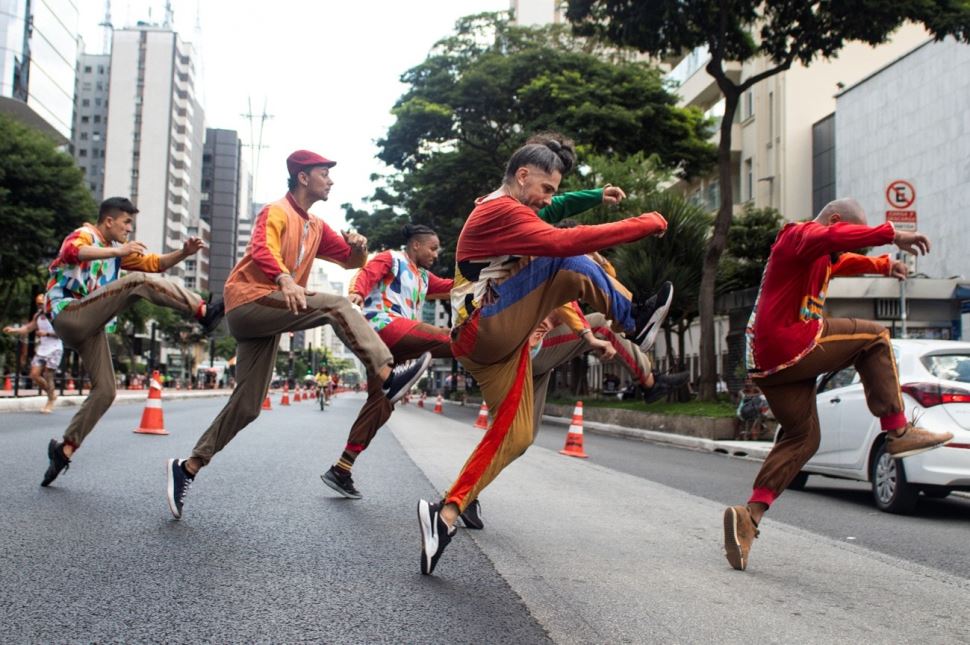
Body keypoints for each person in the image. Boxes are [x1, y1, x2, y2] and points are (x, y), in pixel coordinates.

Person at [417, 135, 670, 575]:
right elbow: (561, 241)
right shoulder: (499, 210)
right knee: (567, 257)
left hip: (494, 347)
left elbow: (558, 208)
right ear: (522, 176)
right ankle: (635, 318)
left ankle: (446, 515)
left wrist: (595, 195)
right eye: (546, 188)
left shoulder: (517, 209)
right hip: (485, 328)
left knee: (516, 436)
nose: (548, 199)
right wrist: (642, 224)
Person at [166, 149, 429, 519]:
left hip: (271, 312)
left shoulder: (316, 225)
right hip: (249, 301)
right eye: (324, 173)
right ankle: (387, 375)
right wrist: (285, 279)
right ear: (303, 177)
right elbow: (262, 248)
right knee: (337, 305)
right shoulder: (275, 211)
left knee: (248, 406)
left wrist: (359, 249)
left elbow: (350, 262)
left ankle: (188, 466)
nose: (331, 181)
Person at [722, 198, 953, 572]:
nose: (843, 249)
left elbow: (846, 261)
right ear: (833, 220)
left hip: (770, 365)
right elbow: (830, 238)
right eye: (845, 236)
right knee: (875, 336)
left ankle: (749, 516)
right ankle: (897, 430)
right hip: (789, 343)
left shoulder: (823, 259)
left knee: (804, 438)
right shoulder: (798, 236)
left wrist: (884, 265)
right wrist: (892, 234)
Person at [39, 196, 223, 487]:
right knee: (135, 281)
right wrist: (118, 250)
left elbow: (155, 265)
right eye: (126, 223)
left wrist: (183, 253)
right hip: (69, 313)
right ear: (109, 221)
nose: (128, 229)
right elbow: (71, 251)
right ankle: (202, 310)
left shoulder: (115, 253)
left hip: (90, 325)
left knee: (106, 391)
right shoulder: (86, 234)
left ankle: (64, 450)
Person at [3, 294, 64, 413]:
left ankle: (50, 401)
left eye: (42, 303)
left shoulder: (56, 315)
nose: (40, 306)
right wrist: (14, 330)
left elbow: (63, 333)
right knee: (34, 375)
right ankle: (51, 394)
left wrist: (46, 334)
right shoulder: (38, 316)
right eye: (38, 304)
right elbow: (28, 328)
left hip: (55, 348)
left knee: (48, 374)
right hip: (43, 349)